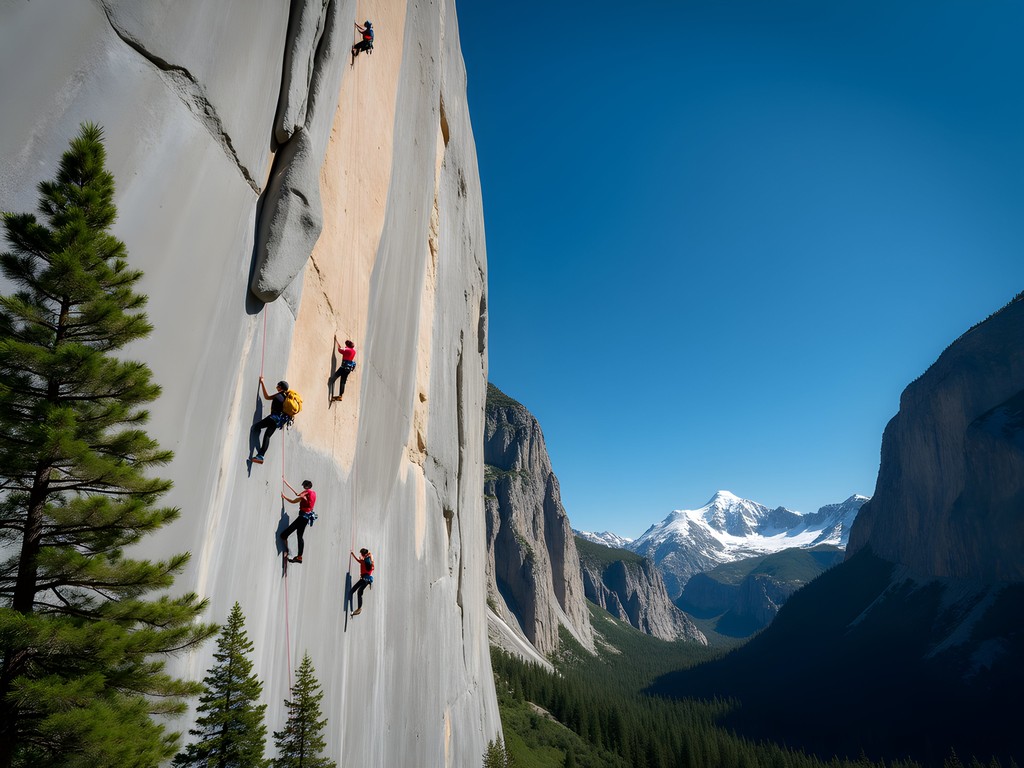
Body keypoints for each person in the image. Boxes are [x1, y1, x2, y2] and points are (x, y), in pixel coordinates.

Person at [250, 376, 288, 464]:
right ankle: (261, 456)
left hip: (272, 418)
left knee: (256, 427)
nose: (276, 387)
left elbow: (266, 397)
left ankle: (258, 454)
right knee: (267, 436)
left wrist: (262, 383)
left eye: (278, 386)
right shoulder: (285, 398)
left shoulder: (278, 396)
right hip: (277, 422)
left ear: (280, 387)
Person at [280, 480, 317, 563]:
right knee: (299, 536)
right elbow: (295, 501)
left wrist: (300, 494)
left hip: (302, 517)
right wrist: (285, 497)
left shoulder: (307, 492)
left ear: (306, 486)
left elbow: (299, 496)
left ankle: (290, 552)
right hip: (306, 518)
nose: (303, 487)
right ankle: (299, 556)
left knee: (284, 535)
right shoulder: (313, 493)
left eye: (303, 485)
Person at [330, 337, 357, 402]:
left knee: (335, 376)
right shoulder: (353, 351)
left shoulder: (347, 349)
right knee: (343, 381)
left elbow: (340, 350)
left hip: (344, 367)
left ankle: (331, 382)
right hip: (348, 368)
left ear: (347, 345)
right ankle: (340, 396)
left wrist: (337, 345)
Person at [349, 548, 374, 615]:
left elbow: (357, 560)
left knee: (353, 590)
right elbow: (370, 553)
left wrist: (352, 554)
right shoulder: (371, 562)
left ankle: (359, 609)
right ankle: (359, 608)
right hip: (367, 579)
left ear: (363, 554)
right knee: (359, 592)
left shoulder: (363, 562)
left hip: (363, 579)